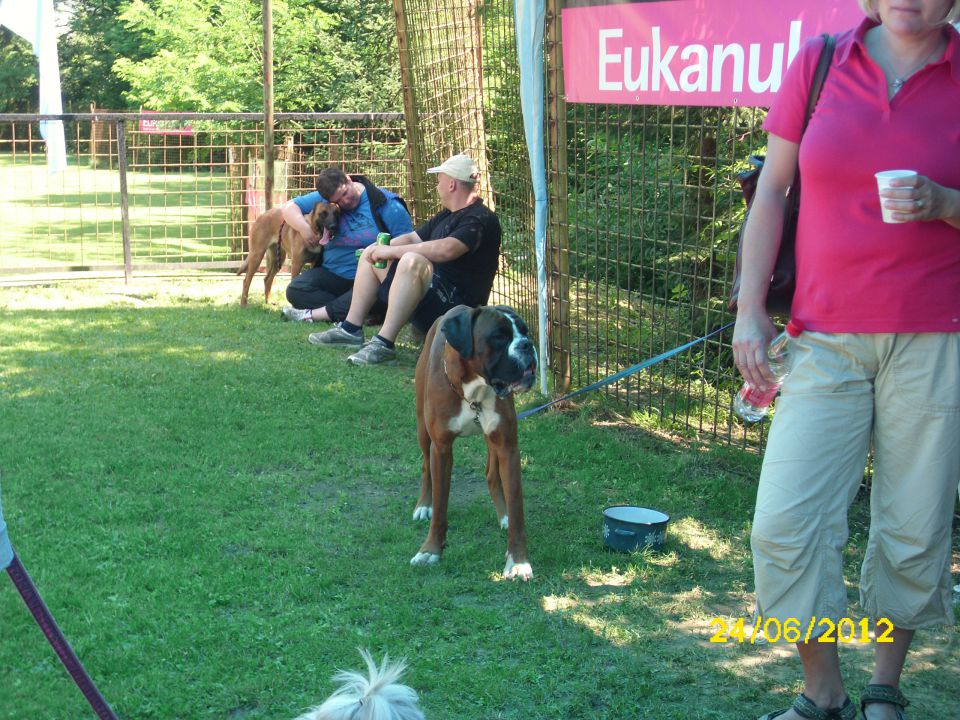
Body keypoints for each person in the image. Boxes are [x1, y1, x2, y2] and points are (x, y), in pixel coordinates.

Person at [732, 2, 960, 719]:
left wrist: (945, 201)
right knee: (784, 524)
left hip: (936, 337)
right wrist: (747, 309)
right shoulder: (820, 61)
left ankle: (884, 689)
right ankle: (821, 691)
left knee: (915, 524)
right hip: (823, 335)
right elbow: (771, 191)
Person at [308, 153, 501, 366]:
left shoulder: (480, 218)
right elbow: (413, 237)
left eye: (439, 180)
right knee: (371, 253)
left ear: (452, 185)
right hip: (431, 298)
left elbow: (447, 250)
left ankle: (383, 343)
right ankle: (350, 329)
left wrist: (392, 252)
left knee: (412, 261)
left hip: (456, 311)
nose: (437, 186)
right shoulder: (448, 214)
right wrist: (379, 248)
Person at [279, 167, 413, 324]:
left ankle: (324, 313)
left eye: (344, 194)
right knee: (296, 290)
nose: (344, 201)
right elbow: (289, 207)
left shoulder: (387, 204)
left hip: (371, 277)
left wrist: (380, 251)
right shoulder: (327, 197)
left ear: (349, 180)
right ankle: (357, 312)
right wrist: (303, 228)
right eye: (337, 201)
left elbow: (409, 242)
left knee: (375, 294)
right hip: (333, 273)